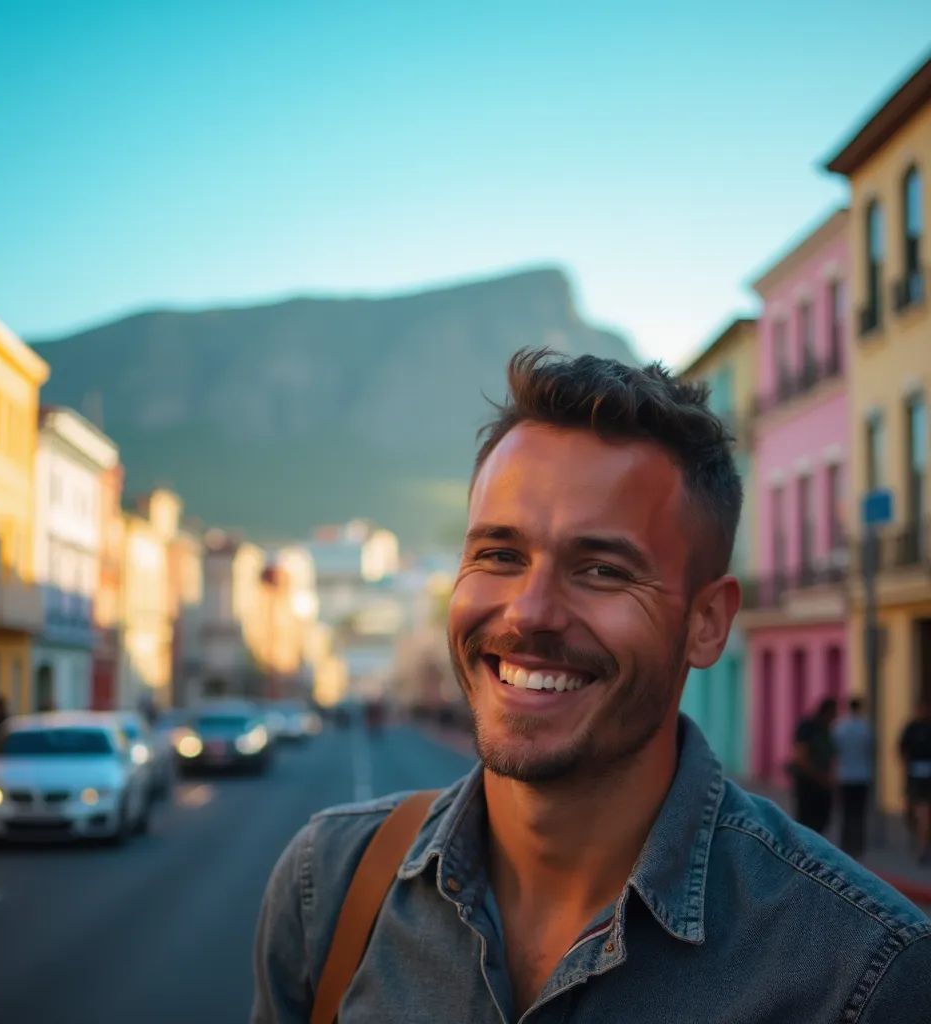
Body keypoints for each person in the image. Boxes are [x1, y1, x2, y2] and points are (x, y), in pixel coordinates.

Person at [253, 350, 931, 1022]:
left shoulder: (863, 976)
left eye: (603, 569)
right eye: (499, 555)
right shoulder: (330, 887)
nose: (529, 613)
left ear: (706, 622)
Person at [832, 696, 873, 857]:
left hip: (844, 775)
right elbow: (871, 749)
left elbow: (834, 750)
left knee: (846, 813)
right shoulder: (865, 727)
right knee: (859, 814)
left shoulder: (840, 727)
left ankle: (846, 844)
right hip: (862, 776)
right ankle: (859, 845)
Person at [790, 697, 837, 834]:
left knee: (821, 821)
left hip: (822, 784)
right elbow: (801, 756)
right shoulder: (808, 728)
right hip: (808, 783)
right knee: (807, 821)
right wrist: (820, 777)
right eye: (834, 713)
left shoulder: (826, 729)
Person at [899, 701, 931, 864]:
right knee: (910, 810)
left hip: (927, 776)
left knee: (924, 812)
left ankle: (922, 847)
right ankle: (918, 836)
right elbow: (901, 749)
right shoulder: (911, 728)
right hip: (913, 774)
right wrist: (905, 769)